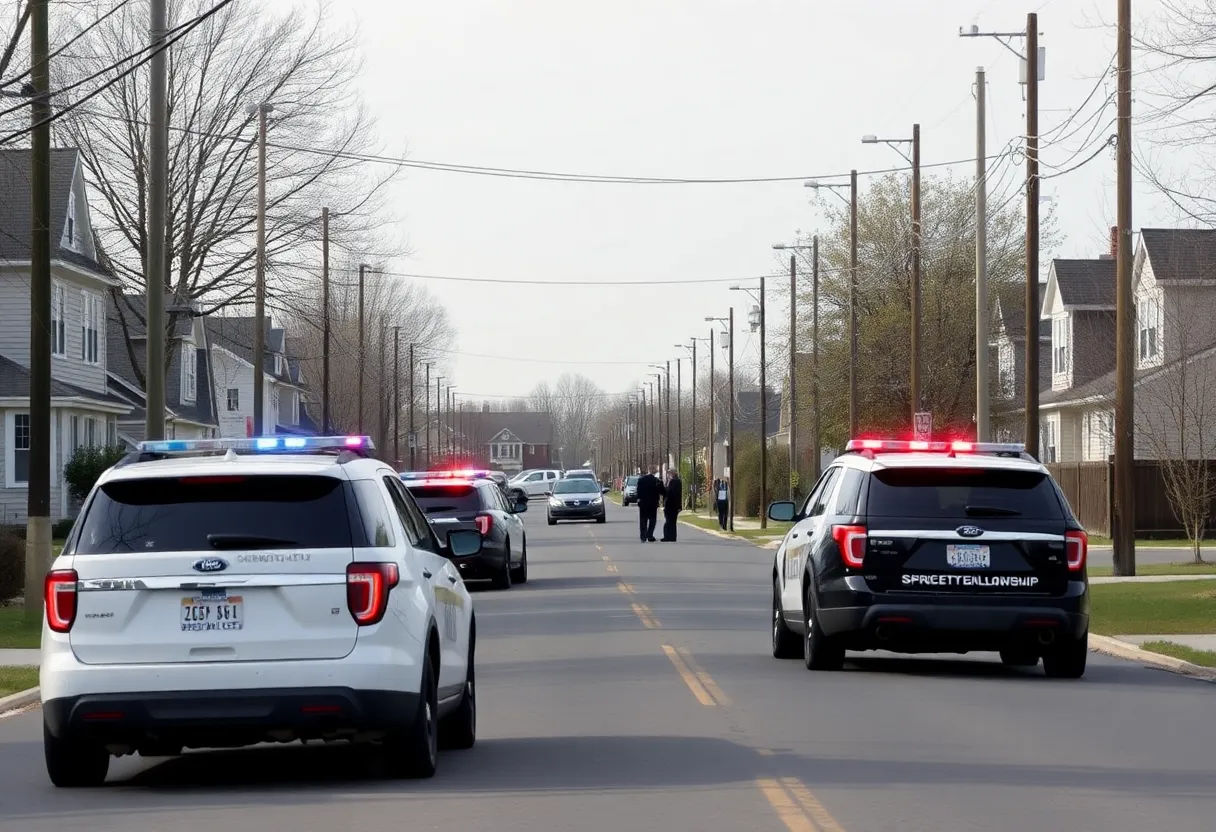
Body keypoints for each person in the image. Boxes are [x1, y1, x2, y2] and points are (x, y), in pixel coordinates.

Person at [635, 465, 664, 543]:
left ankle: (643, 536)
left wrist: (639, 500)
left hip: (643, 503)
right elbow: (662, 491)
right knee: (652, 520)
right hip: (653, 503)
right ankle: (650, 534)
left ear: (648, 470)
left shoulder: (641, 480)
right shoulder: (657, 481)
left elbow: (638, 492)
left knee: (643, 520)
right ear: (654, 471)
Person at [660, 469, 683, 542]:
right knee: (672, 522)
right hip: (675, 506)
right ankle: (673, 537)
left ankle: (667, 536)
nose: (668, 475)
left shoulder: (673, 482)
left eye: (669, 474)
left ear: (672, 474)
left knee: (668, 522)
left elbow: (669, 493)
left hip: (670, 505)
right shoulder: (678, 481)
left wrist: (662, 488)